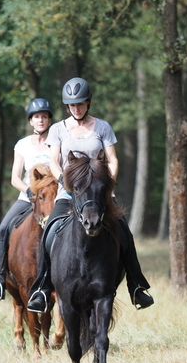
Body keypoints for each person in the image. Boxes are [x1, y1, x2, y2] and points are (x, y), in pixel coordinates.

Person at [27, 77, 154, 313]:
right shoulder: (57, 130)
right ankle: (42, 289)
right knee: (49, 233)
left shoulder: (102, 127)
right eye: (73, 105)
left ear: (89, 103)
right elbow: (54, 161)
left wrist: (108, 184)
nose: (77, 108)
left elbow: (113, 159)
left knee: (124, 232)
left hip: (98, 193)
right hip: (69, 194)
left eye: (81, 104)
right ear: (67, 107)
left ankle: (136, 285)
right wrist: (64, 181)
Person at [0, 98, 54, 300]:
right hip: (28, 198)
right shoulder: (22, 145)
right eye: (36, 117)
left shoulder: (56, 143)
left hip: (52, 199)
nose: (40, 120)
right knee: (2, 229)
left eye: (44, 116)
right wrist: (29, 191)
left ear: (49, 120)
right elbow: (15, 177)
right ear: (30, 121)